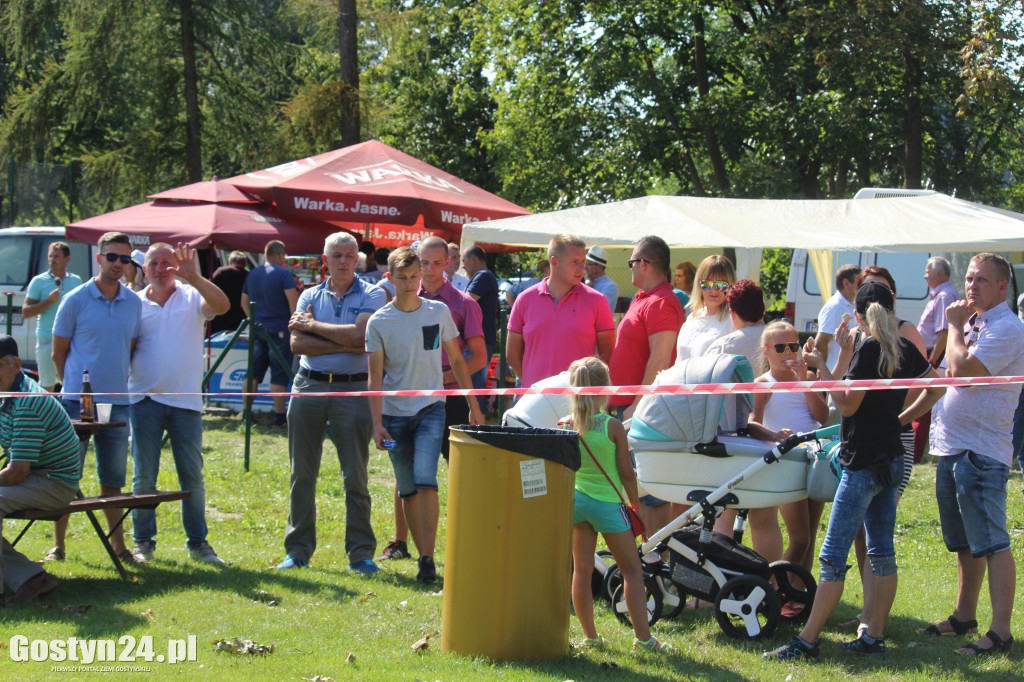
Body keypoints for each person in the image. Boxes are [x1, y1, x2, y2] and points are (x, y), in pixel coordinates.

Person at [765, 282, 941, 661]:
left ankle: (807, 641)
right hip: (892, 459)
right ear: (892, 310)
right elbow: (937, 386)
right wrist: (903, 419)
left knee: (832, 557)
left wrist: (824, 367)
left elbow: (846, 407)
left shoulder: (869, 350)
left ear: (858, 316)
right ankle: (873, 637)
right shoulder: (905, 347)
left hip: (863, 465)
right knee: (881, 552)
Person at [367, 247, 484, 583]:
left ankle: (428, 558)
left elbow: (459, 362)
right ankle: (421, 555)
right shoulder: (378, 322)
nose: (410, 283)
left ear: (422, 276)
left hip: (432, 410)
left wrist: (474, 406)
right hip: (392, 418)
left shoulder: (439, 311)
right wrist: (376, 424)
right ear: (389, 278)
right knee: (405, 486)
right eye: (402, 278)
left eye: (414, 276)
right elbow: (374, 378)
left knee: (425, 478)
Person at [926, 252, 1023, 656]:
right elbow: (951, 374)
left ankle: (1001, 631)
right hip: (953, 447)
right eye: (968, 279)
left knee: (992, 542)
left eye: (982, 280)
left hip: (982, 451)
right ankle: (965, 615)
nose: (971, 287)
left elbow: (963, 371)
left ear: (1003, 287)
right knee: (964, 542)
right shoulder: (974, 324)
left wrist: (951, 326)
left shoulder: (1008, 327)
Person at [279, 232, 386, 573]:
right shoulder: (309, 294)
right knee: (302, 475)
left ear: (359, 260)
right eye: (336, 255)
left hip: (352, 391)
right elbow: (297, 344)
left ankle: (360, 554)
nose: (343, 260)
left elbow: (362, 337)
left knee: (355, 476)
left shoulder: (373, 293)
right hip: (308, 387)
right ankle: (297, 551)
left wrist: (315, 328)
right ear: (325, 259)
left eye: (349, 255)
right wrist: (342, 339)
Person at [562, 356, 676, 654]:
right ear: (604, 389)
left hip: (578, 504)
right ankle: (643, 639)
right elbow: (627, 473)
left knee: (582, 570)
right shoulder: (613, 426)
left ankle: (590, 636)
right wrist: (635, 504)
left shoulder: (565, 425)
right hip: (608, 505)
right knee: (632, 571)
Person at [128, 243, 230, 566]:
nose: (160, 269)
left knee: (192, 478)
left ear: (176, 266)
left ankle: (198, 544)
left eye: (166, 263)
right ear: (144, 269)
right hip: (143, 400)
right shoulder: (134, 304)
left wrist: (196, 278)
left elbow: (223, 306)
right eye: (153, 263)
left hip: (185, 402)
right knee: (144, 477)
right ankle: (143, 543)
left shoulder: (191, 295)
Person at [49, 231, 143, 565]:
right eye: (113, 257)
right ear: (99, 258)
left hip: (118, 403)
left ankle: (119, 547)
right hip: (76, 403)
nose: (119, 264)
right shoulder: (75, 298)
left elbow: (129, 348)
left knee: (113, 480)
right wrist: (70, 388)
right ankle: (58, 546)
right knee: (65, 477)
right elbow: (58, 352)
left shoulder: (134, 302)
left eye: (125, 259)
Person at [747, 320, 829, 617]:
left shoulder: (806, 378)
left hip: (814, 459)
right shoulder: (763, 383)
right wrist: (774, 436)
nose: (788, 353)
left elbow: (821, 415)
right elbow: (752, 421)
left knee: (809, 534)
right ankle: (769, 591)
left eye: (793, 346)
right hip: (785, 462)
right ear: (766, 351)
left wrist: (805, 382)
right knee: (800, 538)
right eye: (780, 347)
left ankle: (797, 594)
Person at [605, 236, 682, 534]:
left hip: (642, 410)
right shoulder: (646, 299)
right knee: (637, 490)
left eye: (632, 263)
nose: (631, 269)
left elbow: (661, 359)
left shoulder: (662, 302)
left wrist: (638, 405)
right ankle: (650, 562)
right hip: (627, 407)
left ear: (645, 264)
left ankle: (656, 564)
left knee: (650, 495)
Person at [0, 335, 81, 604]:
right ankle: (31, 578)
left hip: (54, 483)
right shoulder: (7, 394)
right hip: (37, 476)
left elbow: (16, 473)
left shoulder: (27, 402)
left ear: (16, 364)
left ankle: (27, 579)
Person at [506, 234, 615, 390]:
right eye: (575, 262)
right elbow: (512, 355)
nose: (582, 267)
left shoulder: (597, 300)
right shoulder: (524, 299)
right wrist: (532, 384)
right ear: (554, 262)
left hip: (579, 403)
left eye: (584, 261)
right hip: (534, 402)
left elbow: (607, 355)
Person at [242, 240, 299, 428]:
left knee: (252, 373)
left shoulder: (253, 274)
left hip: (258, 329)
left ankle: (246, 414)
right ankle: (280, 417)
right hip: (280, 329)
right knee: (279, 374)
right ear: (280, 255)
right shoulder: (284, 274)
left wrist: (254, 318)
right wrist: (295, 325)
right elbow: (293, 301)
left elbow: (243, 301)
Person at [913, 256, 958, 463]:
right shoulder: (941, 294)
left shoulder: (944, 295)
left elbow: (943, 333)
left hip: (934, 355)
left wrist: (931, 361)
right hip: (931, 354)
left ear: (940, 274)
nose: (924, 274)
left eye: (928, 270)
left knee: (924, 404)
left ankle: (914, 452)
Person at [22, 241, 84, 391]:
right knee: (47, 385)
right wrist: (48, 301)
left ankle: (69, 413)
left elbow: (82, 310)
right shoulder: (38, 281)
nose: (52, 260)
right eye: (50, 256)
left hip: (71, 340)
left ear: (67, 259)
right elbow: (26, 312)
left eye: (56, 256)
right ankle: (45, 413)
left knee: (71, 383)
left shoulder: (76, 281)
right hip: (47, 340)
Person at [674, 254, 735, 364]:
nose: (714, 289)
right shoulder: (692, 318)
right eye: (707, 283)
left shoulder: (733, 321)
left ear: (730, 286)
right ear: (698, 284)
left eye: (721, 284)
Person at [463, 246, 500, 411]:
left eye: (464, 261)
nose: (462, 266)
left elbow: (466, 301)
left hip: (479, 339)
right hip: (482, 338)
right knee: (473, 383)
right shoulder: (486, 276)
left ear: (473, 259)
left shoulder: (483, 276)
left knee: (472, 383)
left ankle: (473, 421)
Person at [813, 264, 861, 371]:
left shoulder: (850, 304)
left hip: (846, 373)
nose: (862, 285)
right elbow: (820, 343)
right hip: (835, 375)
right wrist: (822, 372)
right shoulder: (834, 307)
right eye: (859, 282)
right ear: (846, 283)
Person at [209, 250, 250, 335]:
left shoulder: (221, 271)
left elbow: (208, 288)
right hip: (240, 319)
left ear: (230, 261)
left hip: (219, 316)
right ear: (245, 263)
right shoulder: (248, 276)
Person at [585, 246, 618, 313]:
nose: (585, 267)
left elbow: (596, 308)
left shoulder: (610, 286)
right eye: (585, 263)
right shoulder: (583, 279)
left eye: (588, 264)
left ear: (599, 266)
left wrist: (586, 287)